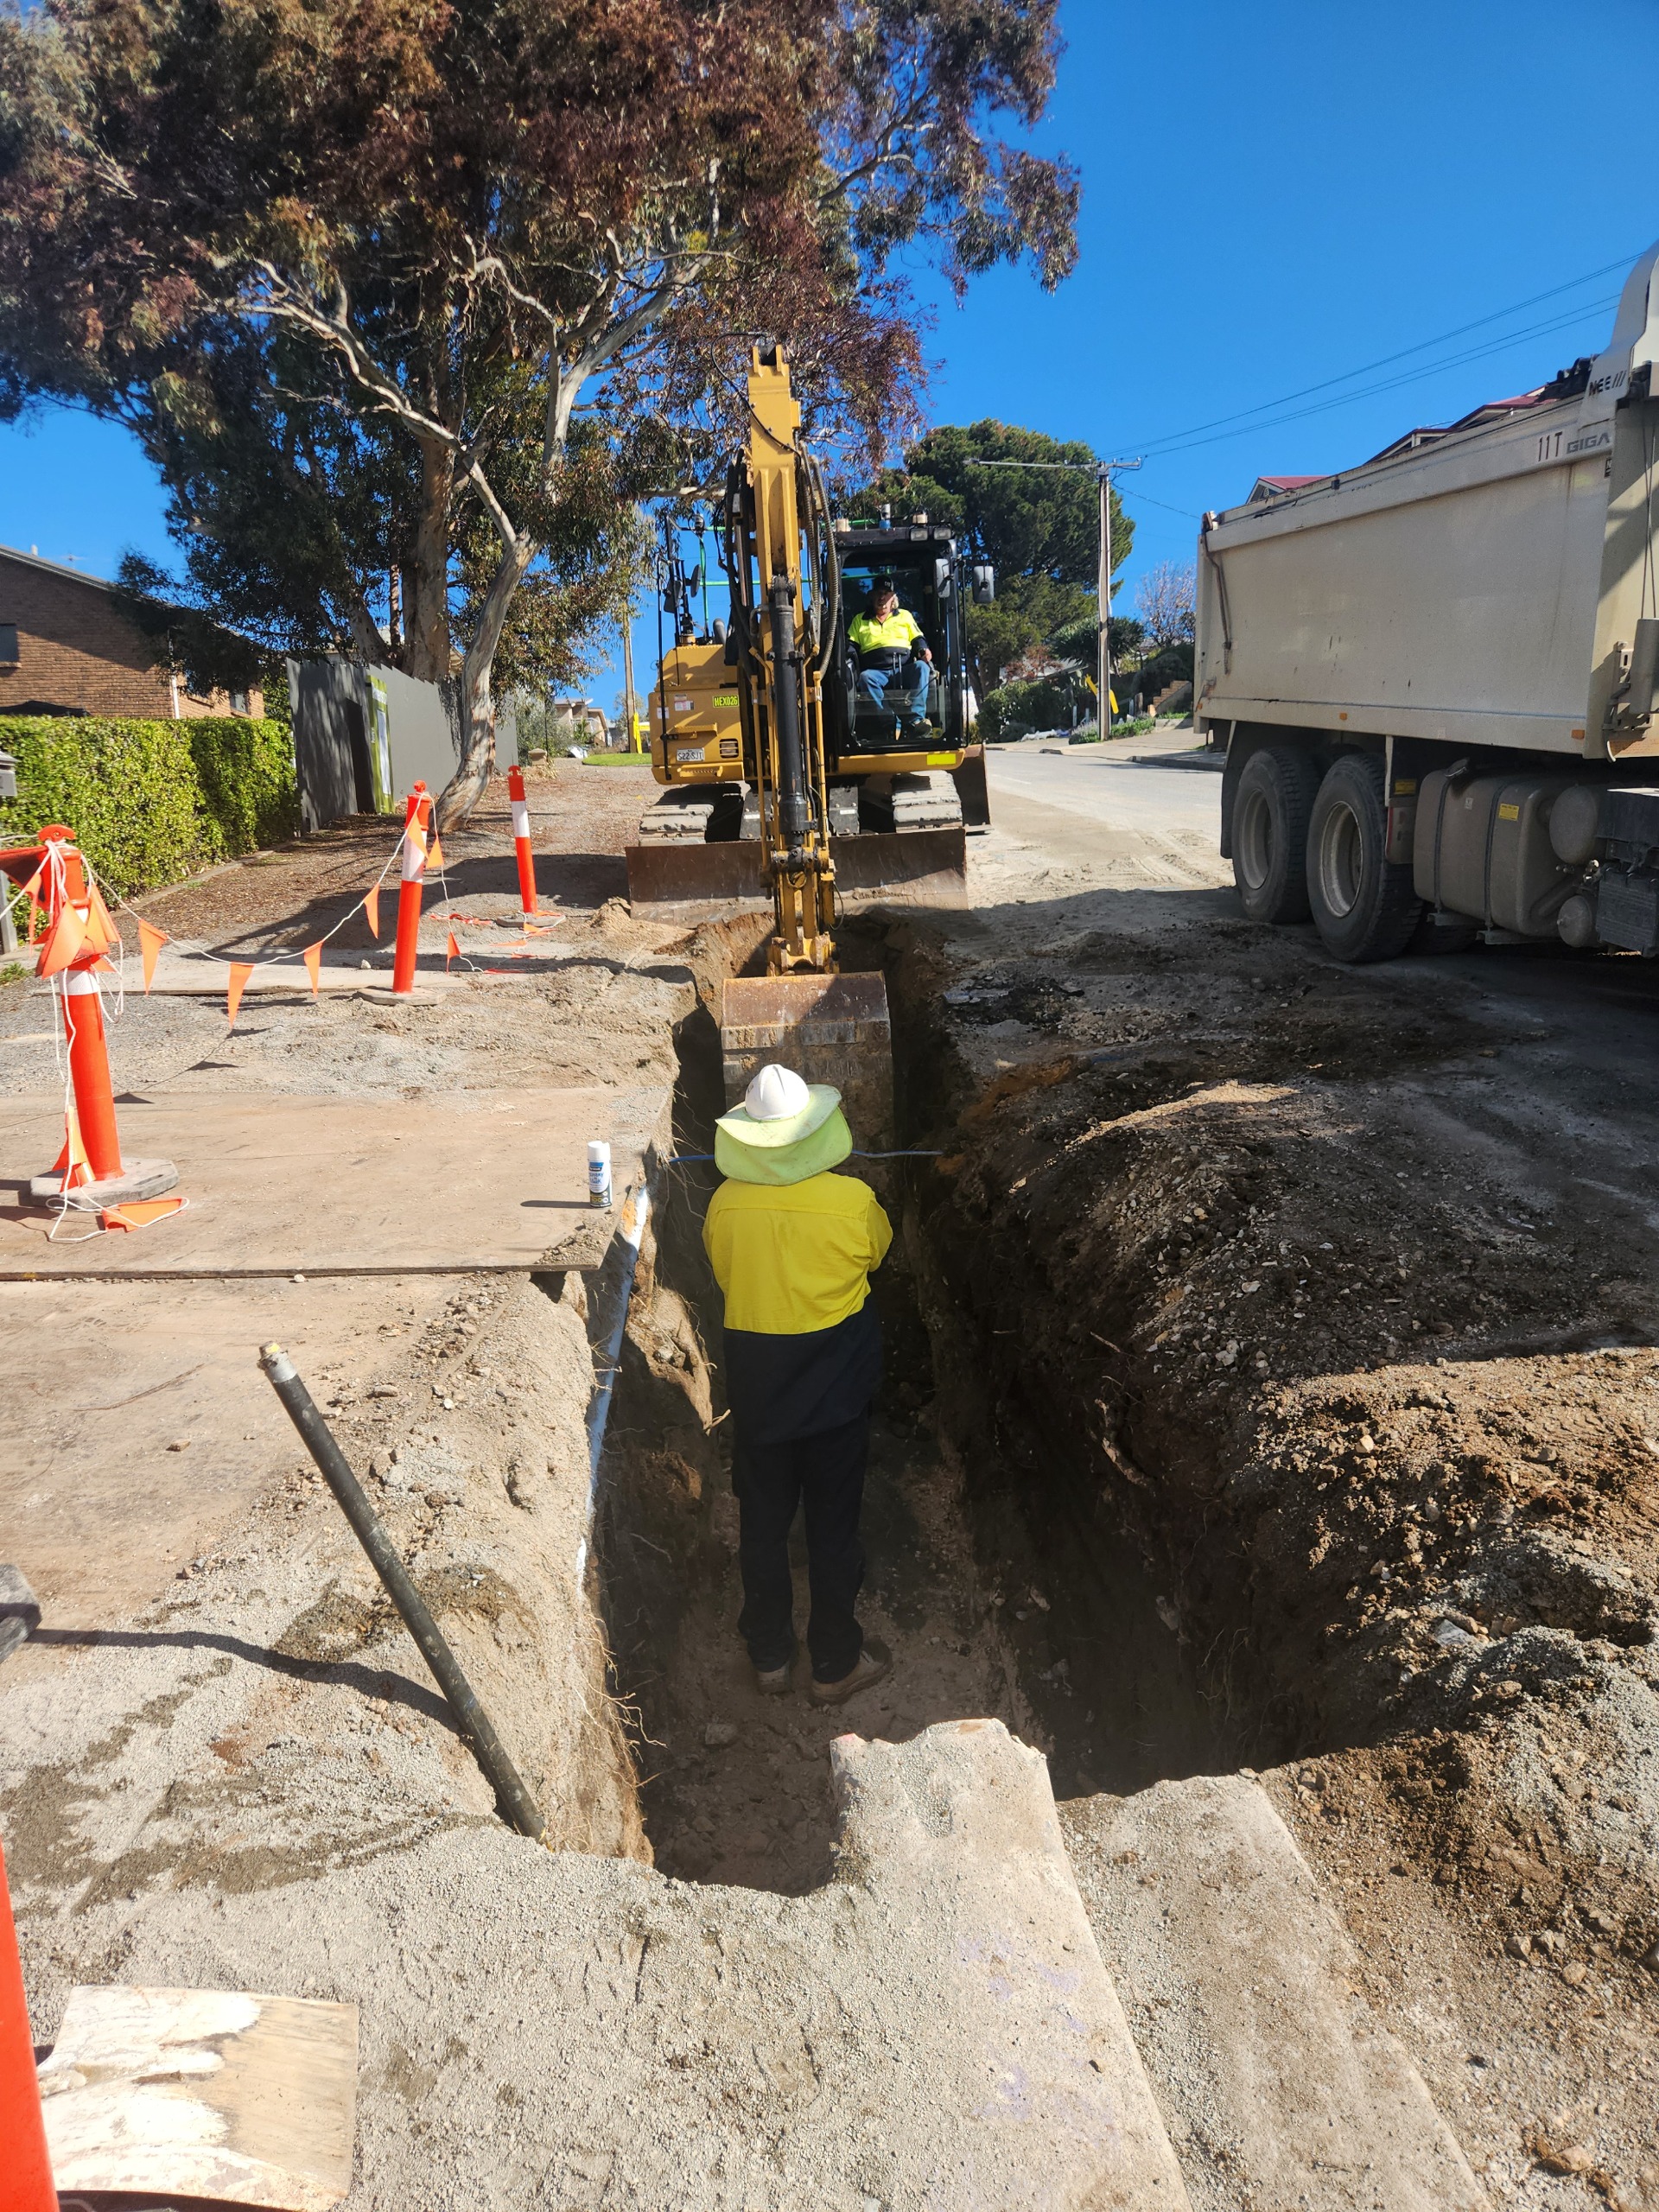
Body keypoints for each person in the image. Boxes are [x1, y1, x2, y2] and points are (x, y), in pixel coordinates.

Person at [702, 1063, 893, 1704]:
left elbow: (724, 1274)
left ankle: (770, 1657)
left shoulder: (725, 1204)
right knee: (833, 1531)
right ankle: (836, 1665)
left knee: (762, 1526)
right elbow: (877, 1255)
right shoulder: (853, 1203)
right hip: (836, 1395)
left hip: (759, 1396)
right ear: (815, 1132)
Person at [847, 575, 933, 730]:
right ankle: (886, 720)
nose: (882, 597)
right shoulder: (859, 620)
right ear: (872, 596)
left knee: (922, 668)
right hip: (876, 672)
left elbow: (917, 638)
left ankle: (916, 719)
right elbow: (851, 646)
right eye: (878, 593)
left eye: (886, 593)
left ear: (893, 597)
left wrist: (923, 650)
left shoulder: (905, 616)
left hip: (903, 670)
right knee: (865, 678)